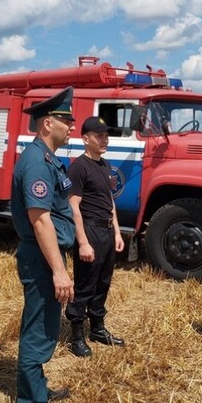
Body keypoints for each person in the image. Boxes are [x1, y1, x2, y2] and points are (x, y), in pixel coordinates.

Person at [11, 86, 77, 403]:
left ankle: (36, 394)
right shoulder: (38, 162)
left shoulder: (46, 158)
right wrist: (59, 271)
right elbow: (40, 221)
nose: (72, 126)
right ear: (48, 124)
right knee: (37, 331)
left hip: (44, 255)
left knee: (44, 325)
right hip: (40, 257)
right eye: (67, 120)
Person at [65, 116, 126, 357]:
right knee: (85, 284)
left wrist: (117, 232)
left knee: (103, 282)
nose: (105, 140)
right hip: (90, 230)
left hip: (107, 231)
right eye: (99, 136)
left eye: (106, 136)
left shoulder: (105, 165)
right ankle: (77, 335)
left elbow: (109, 201)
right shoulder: (78, 167)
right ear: (85, 139)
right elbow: (73, 207)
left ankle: (98, 329)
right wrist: (82, 242)